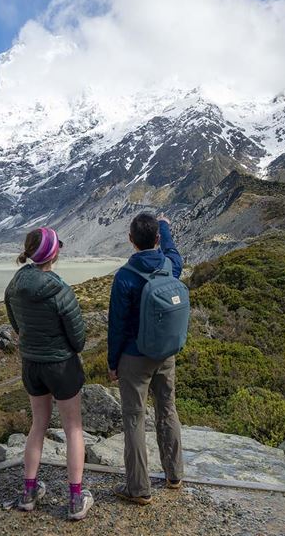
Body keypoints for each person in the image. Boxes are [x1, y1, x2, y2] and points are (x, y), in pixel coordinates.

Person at [3, 227, 93, 521]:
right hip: (62, 366)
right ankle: (75, 498)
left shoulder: (14, 285)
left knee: (38, 425)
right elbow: (78, 340)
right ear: (54, 253)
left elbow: (17, 325)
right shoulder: (60, 290)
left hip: (31, 364)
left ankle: (29, 493)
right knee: (73, 429)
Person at [107, 212, 185, 505]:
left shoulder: (125, 277)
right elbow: (174, 251)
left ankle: (138, 489)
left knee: (134, 419)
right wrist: (164, 226)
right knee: (168, 409)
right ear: (156, 240)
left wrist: (113, 362)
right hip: (166, 353)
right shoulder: (170, 266)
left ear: (130, 240)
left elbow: (116, 325)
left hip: (134, 358)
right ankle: (174, 475)